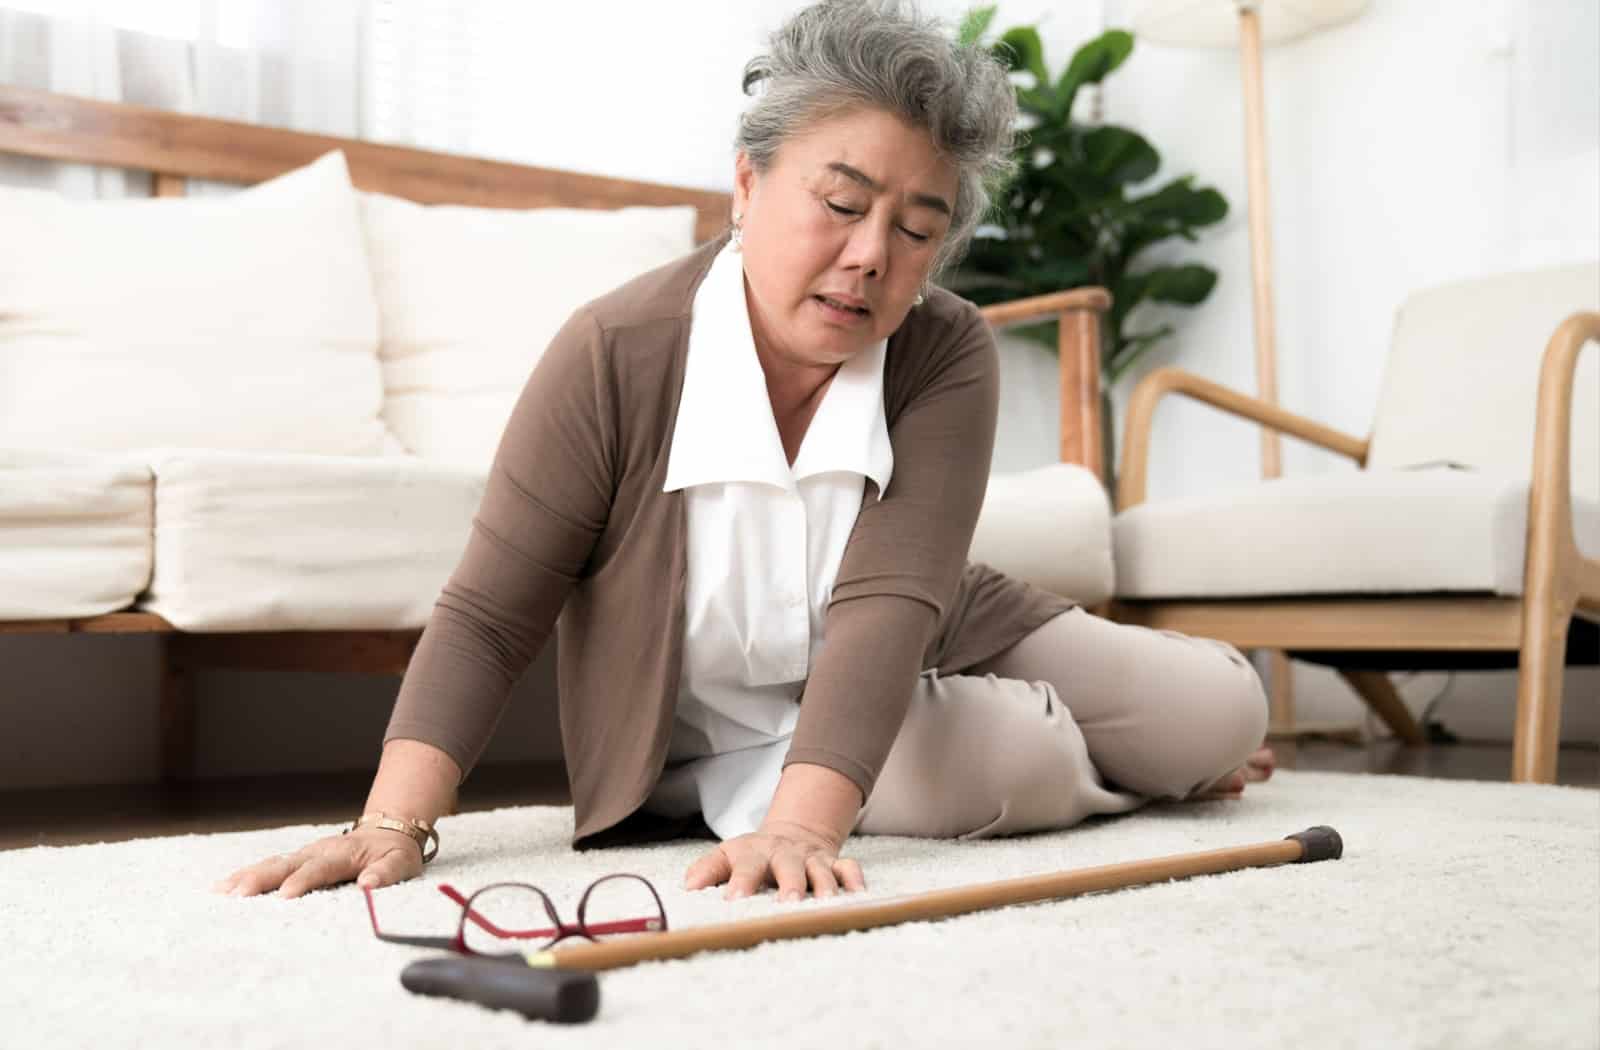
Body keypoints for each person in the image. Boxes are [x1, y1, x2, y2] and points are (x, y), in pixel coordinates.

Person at [216, 0, 1273, 907]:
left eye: (916, 230)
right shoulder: (612, 350)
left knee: (1221, 712)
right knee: (1014, 758)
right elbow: (492, 614)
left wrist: (808, 831)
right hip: (727, 731)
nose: (869, 257)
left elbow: (897, 596)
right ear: (746, 186)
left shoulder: (945, 345)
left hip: (920, 623)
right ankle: (1096, 768)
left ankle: (1134, 758)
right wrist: (395, 824)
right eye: (842, 204)